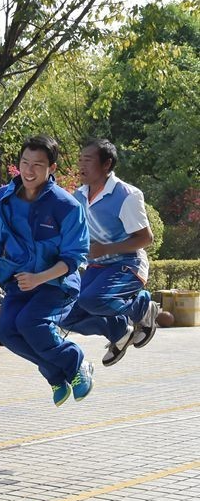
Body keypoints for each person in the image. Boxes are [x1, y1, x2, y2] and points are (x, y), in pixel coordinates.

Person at [0, 135, 91, 407]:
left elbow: (74, 257)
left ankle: (75, 362)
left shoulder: (67, 206)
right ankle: (55, 375)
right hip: (20, 282)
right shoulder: (1, 199)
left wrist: (39, 278)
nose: (29, 170)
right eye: (25, 162)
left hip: (56, 284)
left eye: (38, 164)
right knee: (7, 332)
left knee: (30, 324)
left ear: (52, 169)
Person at [59, 139, 160, 366]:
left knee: (92, 300)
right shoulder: (79, 196)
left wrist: (106, 249)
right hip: (98, 267)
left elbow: (146, 239)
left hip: (128, 264)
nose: (81, 165)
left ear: (107, 164)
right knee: (65, 315)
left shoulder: (126, 195)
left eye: (88, 160)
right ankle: (119, 331)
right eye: (80, 159)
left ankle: (142, 305)